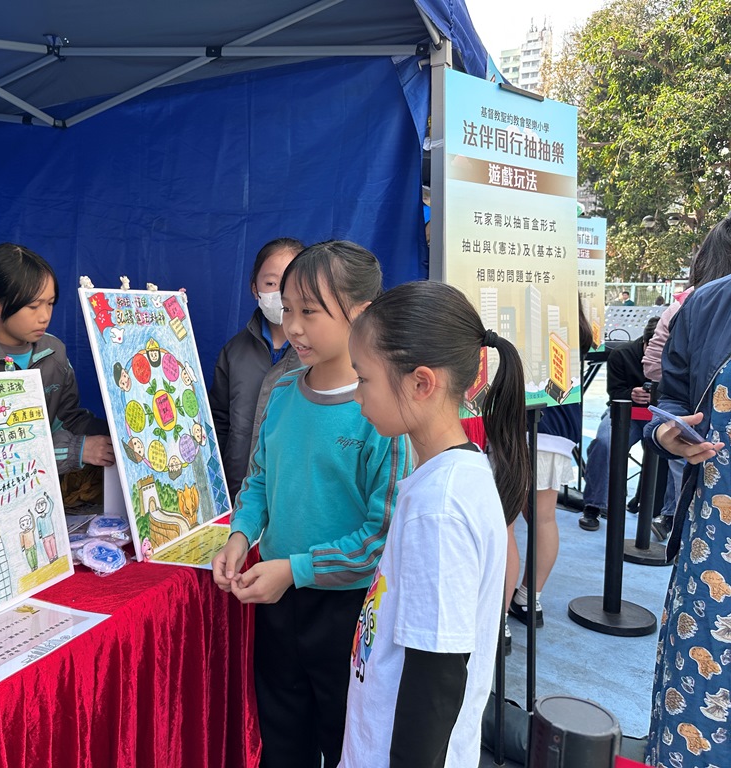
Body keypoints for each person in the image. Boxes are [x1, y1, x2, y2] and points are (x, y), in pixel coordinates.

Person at [211, 241, 412, 768]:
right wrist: (239, 535)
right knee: (281, 737)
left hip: (347, 609)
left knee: (345, 740)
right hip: (275, 599)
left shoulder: (382, 414)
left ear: (361, 313)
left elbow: (379, 538)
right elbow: (259, 481)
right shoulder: (281, 393)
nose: (293, 326)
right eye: (287, 308)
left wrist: (295, 570)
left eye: (310, 312)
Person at [338, 280, 528, 768]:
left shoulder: (439, 508)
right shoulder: (453, 477)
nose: (357, 396)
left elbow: (436, 676)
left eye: (364, 379)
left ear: (422, 383)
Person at [643, 270, 731, 768]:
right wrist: (667, 435)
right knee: (695, 713)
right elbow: (672, 399)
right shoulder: (710, 304)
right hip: (714, 550)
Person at [0, 243, 114, 474]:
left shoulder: (54, 350)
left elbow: (68, 418)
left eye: (50, 304)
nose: (44, 317)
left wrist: (116, 434)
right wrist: (74, 450)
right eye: (33, 306)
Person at [507, 302, 593, 634]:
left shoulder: (524, 309)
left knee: (505, 524)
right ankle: (529, 599)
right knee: (543, 518)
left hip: (517, 426)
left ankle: (498, 619)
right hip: (559, 427)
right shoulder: (572, 322)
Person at [643, 216, 731, 541]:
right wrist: (663, 432)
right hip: (712, 509)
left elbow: (653, 367)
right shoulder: (702, 305)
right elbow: (674, 391)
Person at [211, 238, 304, 500]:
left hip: (294, 497)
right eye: (271, 283)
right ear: (255, 289)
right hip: (237, 491)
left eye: (291, 282)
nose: (280, 293)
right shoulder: (234, 351)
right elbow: (218, 423)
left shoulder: (319, 352)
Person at [578, 317, 659, 531]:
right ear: (645, 342)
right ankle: (594, 505)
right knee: (604, 443)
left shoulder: (676, 357)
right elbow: (613, 393)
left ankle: (666, 513)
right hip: (625, 413)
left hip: (660, 415)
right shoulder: (622, 354)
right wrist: (631, 394)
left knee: (674, 452)